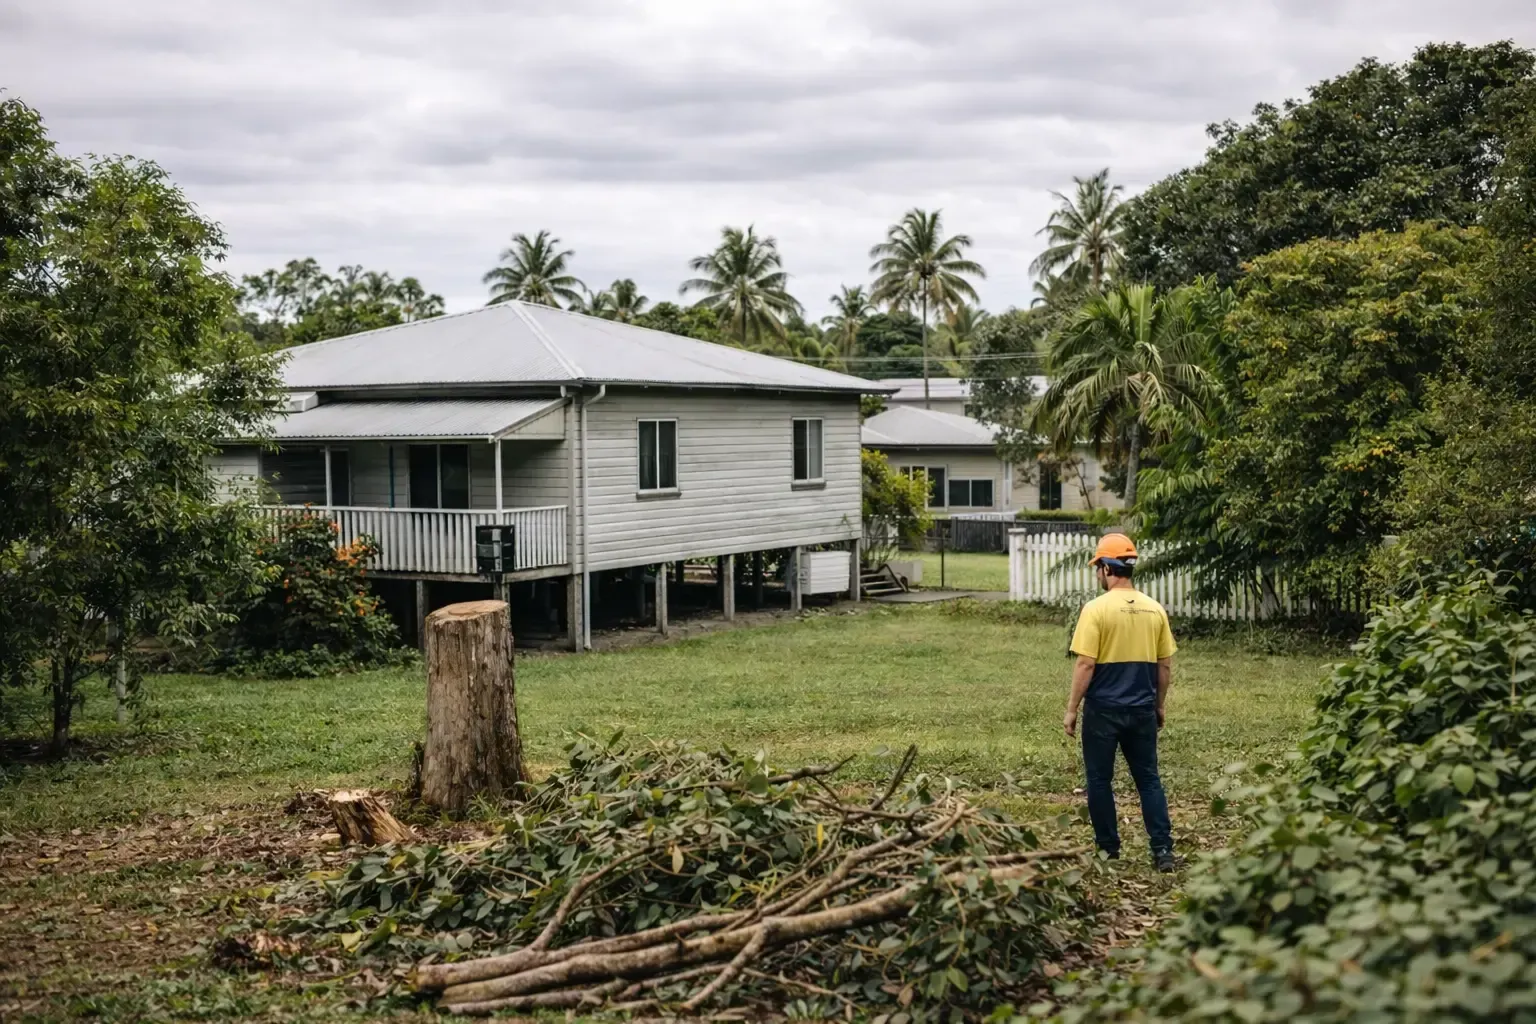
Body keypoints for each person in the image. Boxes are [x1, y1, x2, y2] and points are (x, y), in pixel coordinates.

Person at [1062, 533, 1177, 871]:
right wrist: (1159, 705)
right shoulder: (1154, 609)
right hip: (1142, 708)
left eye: (1098, 567)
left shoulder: (1095, 610)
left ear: (1107, 568)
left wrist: (1071, 710)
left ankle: (1108, 850)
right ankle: (1163, 851)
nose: (1097, 574)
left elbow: (1085, 664)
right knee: (1149, 780)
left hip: (1103, 712)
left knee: (1099, 780)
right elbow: (1165, 665)